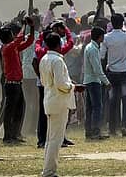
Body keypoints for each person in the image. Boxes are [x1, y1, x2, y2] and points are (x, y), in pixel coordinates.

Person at [39, 33, 75, 177]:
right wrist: (72, 86)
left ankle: (48, 169)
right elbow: (61, 84)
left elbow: (43, 82)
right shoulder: (57, 61)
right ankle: (49, 171)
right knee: (56, 139)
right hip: (59, 101)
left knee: (51, 138)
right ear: (59, 44)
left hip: (49, 100)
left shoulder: (44, 59)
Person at [101, 13, 126, 138]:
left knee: (112, 100)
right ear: (122, 23)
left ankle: (112, 127)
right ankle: (124, 125)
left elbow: (102, 55)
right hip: (124, 72)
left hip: (112, 72)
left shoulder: (106, 38)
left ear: (112, 23)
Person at [0, 17, 36, 144]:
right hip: (12, 84)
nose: (13, 36)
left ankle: (14, 134)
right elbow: (20, 39)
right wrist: (24, 25)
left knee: (18, 109)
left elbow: (29, 41)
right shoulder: (7, 48)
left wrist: (31, 28)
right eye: (11, 34)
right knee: (10, 111)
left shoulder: (13, 48)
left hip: (16, 84)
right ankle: (8, 136)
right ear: (8, 37)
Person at [83, 26, 110, 141]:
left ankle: (88, 131)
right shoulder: (93, 49)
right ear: (100, 37)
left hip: (88, 80)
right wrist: (106, 81)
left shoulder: (89, 47)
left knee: (90, 108)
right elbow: (97, 69)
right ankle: (95, 132)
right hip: (94, 81)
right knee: (97, 107)